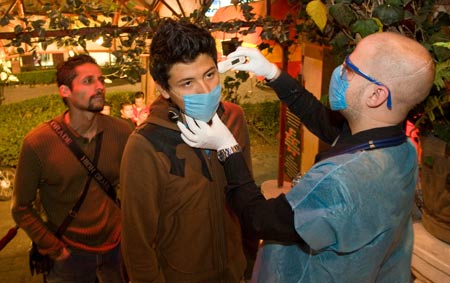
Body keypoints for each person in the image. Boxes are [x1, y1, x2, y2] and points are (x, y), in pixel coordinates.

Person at [178, 32, 435, 282]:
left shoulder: (343, 183)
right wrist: (272, 74)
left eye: (348, 68)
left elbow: (259, 219)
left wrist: (227, 147)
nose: (339, 72)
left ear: (376, 95)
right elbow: (324, 122)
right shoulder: (400, 149)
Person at [120, 18, 256, 283]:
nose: (206, 91)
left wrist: (249, 264)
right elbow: (138, 245)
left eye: (209, 74)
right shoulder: (145, 145)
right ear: (164, 89)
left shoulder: (234, 118)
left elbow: (246, 196)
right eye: (187, 83)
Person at [11, 54, 132, 283]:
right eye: (88, 81)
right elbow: (21, 207)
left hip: (116, 249)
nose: (99, 87)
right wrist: (53, 247)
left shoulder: (122, 131)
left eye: (101, 80)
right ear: (65, 91)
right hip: (68, 254)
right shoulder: (38, 143)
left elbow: (136, 188)